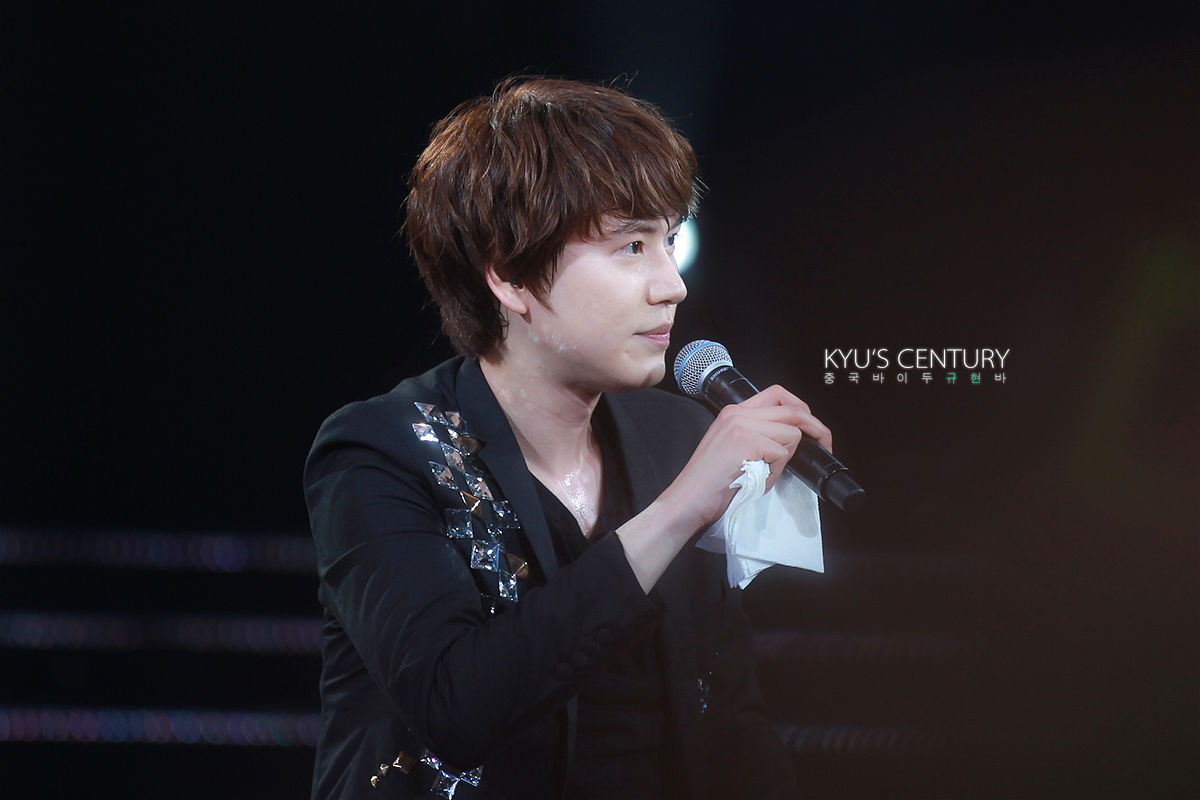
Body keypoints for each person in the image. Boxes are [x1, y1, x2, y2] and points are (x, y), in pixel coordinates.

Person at [304, 77, 832, 800]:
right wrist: (680, 508)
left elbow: (733, 719)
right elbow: (455, 707)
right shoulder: (379, 451)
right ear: (510, 276)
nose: (672, 285)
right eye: (632, 246)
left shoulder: (679, 436)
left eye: (670, 241)